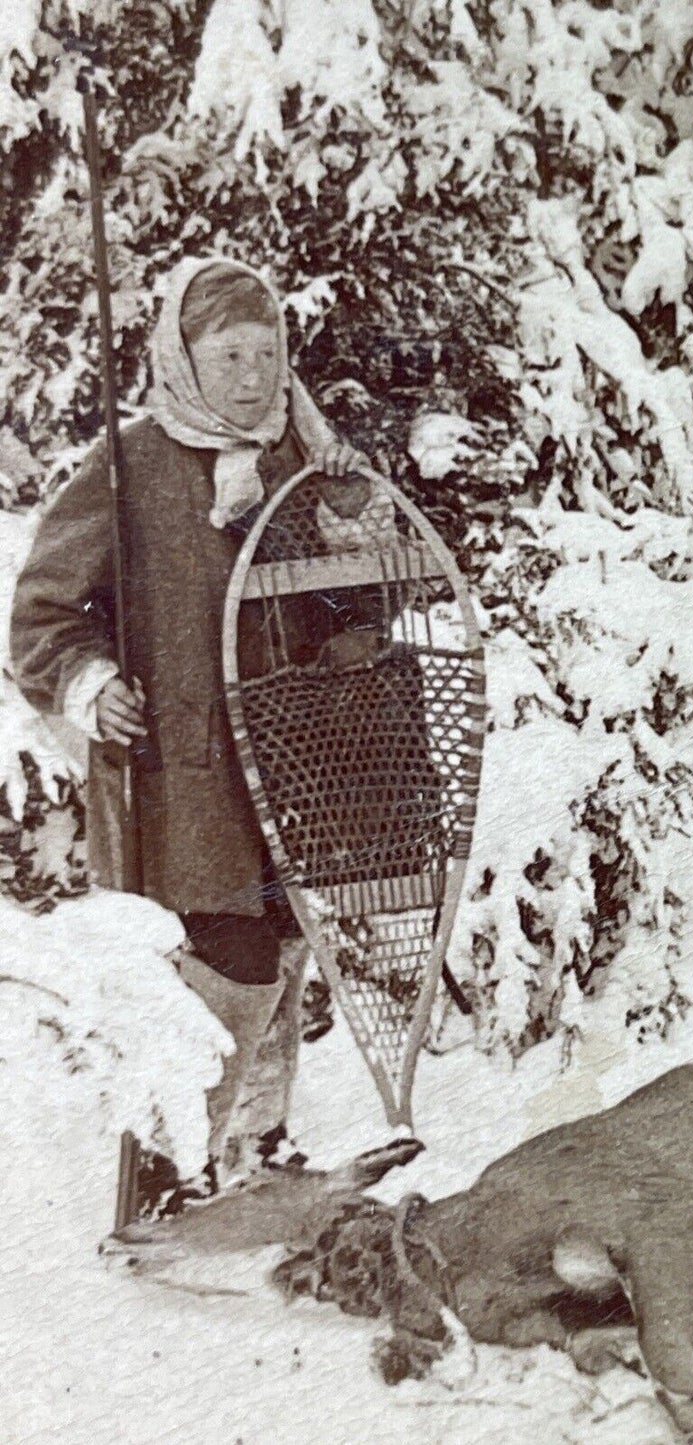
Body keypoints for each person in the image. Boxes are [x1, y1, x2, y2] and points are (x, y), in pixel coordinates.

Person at [10, 256, 372, 1205]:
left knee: (284, 942)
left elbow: (352, 608)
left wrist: (348, 530)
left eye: (269, 351)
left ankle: (260, 1146)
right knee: (225, 958)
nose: (254, 375)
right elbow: (42, 612)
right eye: (229, 353)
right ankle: (170, 1173)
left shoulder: (304, 463)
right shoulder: (132, 464)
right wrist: (89, 680)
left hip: (291, 761)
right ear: (183, 355)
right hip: (182, 772)